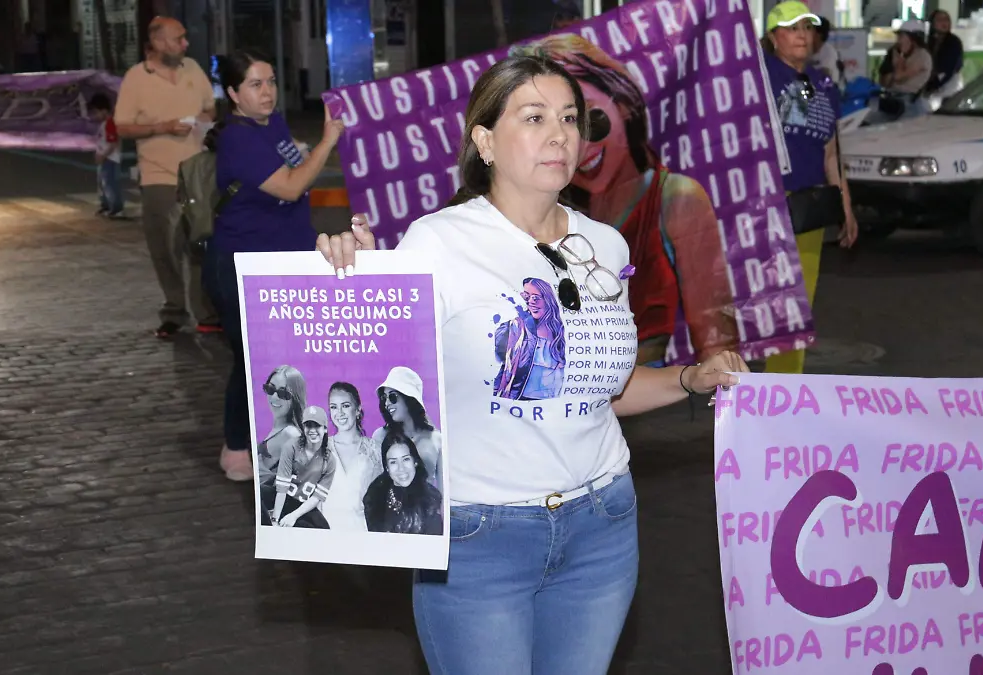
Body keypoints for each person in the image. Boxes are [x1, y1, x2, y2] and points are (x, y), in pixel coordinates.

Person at [318, 55, 750, 674]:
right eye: (535, 116)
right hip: (481, 536)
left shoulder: (604, 246)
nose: (560, 134)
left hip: (602, 523)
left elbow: (604, 388)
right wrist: (351, 279)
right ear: (485, 140)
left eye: (570, 118)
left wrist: (688, 378)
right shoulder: (437, 242)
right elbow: (368, 379)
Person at [513, 35, 737, 366]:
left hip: (648, 403)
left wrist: (726, 395)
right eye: (551, 130)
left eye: (590, 119)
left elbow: (717, 339)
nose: (580, 145)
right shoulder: (539, 204)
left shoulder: (675, 200)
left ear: (623, 104)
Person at [204, 48, 344, 482]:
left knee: (278, 360)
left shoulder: (272, 124)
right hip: (241, 267)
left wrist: (304, 150)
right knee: (249, 360)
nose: (266, 93)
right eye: (254, 85)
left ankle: (277, 442)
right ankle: (236, 447)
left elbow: (293, 166)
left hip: (280, 265)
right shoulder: (238, 136)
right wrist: (327, 142)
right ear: (232, 92)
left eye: (270, 82)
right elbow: (291, 186)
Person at [761, 2, 858, 375]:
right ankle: (733, 389)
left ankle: (781, 393)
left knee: (796, 311)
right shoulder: (760, 74)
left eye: (807, 26)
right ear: (774, 36)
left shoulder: (824, 84)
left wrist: (846, 206)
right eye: (791, 27)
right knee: (757, 308)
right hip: (763, 210)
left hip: (807, 212)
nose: (802, 34)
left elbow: (831, 152)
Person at [114, 16, 221, 339]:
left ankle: (207, 312)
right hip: (158, 175)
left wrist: (204, 118)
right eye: (179, 39)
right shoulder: (136, 78)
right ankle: (174, 310)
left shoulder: (193, 69)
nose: (185, 44)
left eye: (185, 38)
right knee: (166, 247)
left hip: (198, 173)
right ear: (159, 43)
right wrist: (163, 127)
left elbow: (210, 109)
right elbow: (122, 126)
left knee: (201, 243)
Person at [321, 382, 382, 530]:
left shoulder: (375, 450)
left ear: (357, 409)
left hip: (362, 533)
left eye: (346, 405)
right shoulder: (320, 448)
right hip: (326, 535)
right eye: (334, 407)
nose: (339, 412)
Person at [370, 367, 442, 492]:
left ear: (409, 398)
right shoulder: (380, 437)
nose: (387, 403)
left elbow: (443, 492)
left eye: (392, 397)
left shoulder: (436, 439)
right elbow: (375, 486)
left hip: (427, 509)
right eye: (384, 398)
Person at [362, 433, 443, 535]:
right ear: (387, 468)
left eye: (405, 459)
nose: (401, 468)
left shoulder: (431, 499)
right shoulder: (374, 498)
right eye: (393, 462)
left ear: (415, 461)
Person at [270, 405, 335, 529]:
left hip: (302, 505)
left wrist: (293, 516)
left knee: (324, 528)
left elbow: (317, 497)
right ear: (303, 427)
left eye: (317, 425)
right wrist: (275, 520)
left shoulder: (330, 460)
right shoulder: (291, 446)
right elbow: (282, 489)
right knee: (261, 493)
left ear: (325, 429)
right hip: (283, 497)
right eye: (308, 425)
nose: (312, 430)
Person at [255, 365, 306, 490]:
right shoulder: (279, 429)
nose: (274, 397)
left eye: (283, 393)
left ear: (295, 397)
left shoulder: (290, 434)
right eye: (270, 389)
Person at [873, 19, 934, 122]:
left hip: (911, 104)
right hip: (891, 101)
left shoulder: (922, 56)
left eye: (902, 36)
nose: (898, 40)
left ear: (913, 39)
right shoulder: (895, 53)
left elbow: (898, 77)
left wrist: (898, 63)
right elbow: (884, 81)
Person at [87, 93, 125, 219]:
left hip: (110, 159)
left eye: (96, 113)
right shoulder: (104, 123)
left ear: (104, 111)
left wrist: (103, 155)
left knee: (110, 184)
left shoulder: (110, 123)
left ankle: (116, 209)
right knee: (103, 183)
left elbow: (113, 143)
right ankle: (106, 206)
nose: (94, 116)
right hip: (104, 159)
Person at [924, 10, 964, 99]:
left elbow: (948, 69)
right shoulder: (929, 41)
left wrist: (933, 86)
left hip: (949, 85)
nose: (944, 22)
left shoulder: (954, 42)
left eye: (946, 19)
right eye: (940, 19)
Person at [811, 16, 840, 82]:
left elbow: (825, 74)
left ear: (818, 34)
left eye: (810, 29)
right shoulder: (805, 50)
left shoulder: (829, 52)